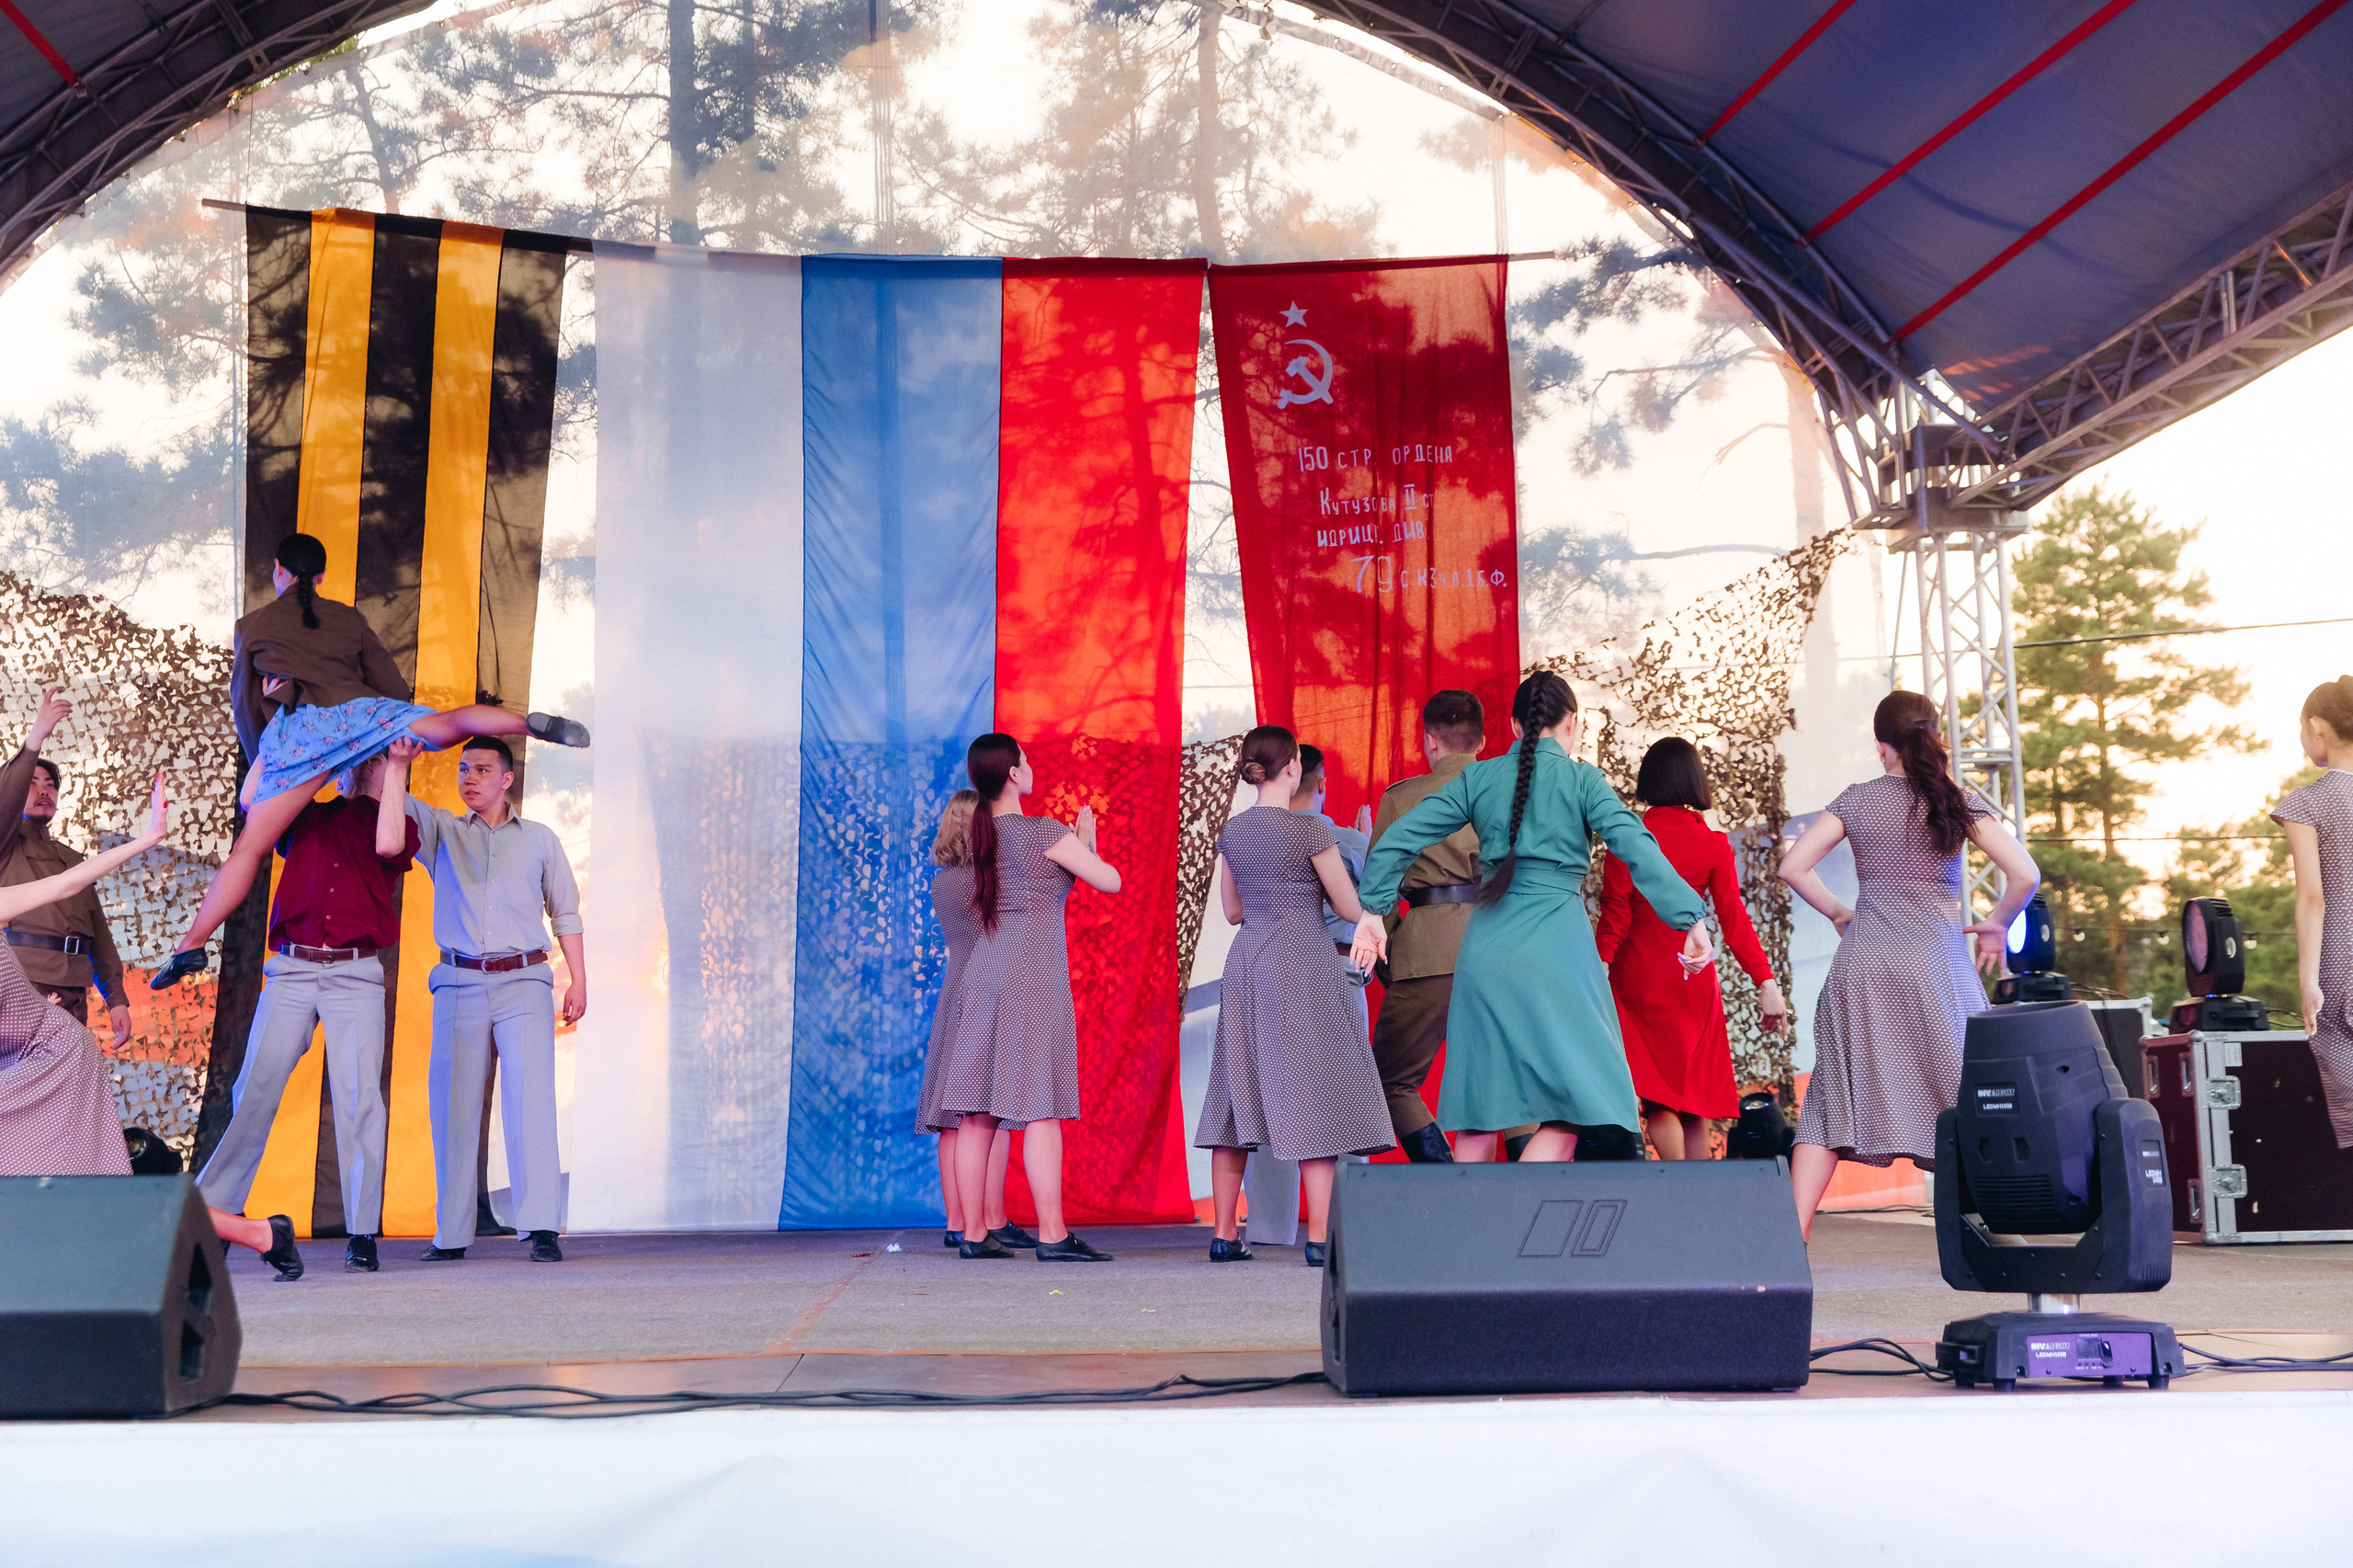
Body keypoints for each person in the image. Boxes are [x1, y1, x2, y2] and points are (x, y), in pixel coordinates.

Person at [150, 532, 589, 988]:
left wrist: (270, 754)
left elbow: (243, 703)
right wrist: (384, 721)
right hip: (360, 713)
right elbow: (391, 686)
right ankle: (529, 724)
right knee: (445, 724)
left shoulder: (253, 625)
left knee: (250, 848)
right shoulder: (347, 618)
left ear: (278, 568)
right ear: (320, 577)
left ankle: (192, 944)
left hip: (302, 731)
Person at [1352, 673, 1715, 1164]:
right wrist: (1690, 917)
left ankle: (1473, 1232)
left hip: (1484, 952)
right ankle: (1514, 1217)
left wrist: (1373, 911)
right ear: (1572, 726)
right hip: (1558, 954)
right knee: (1577, 1102)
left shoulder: (1476, 779)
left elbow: (1397, 839)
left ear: (1514, 726)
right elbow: (1634, 844)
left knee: (1479, 1111)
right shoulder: (1582, 779)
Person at [0, 775, 304, 1278]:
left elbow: (71, 883)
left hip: (54, 1060)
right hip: (19, 1064)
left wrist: (146, 839)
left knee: (90, 1184)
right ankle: (261, 1233)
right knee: (95, 1181)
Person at [1777, 689, 2039, 1240]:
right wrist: (1995, 923)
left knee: (1829, 1105)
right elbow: (2025, 875)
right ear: (1935, 737)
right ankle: (2004, 1234)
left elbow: (1793, 866)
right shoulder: (1957, 800)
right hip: (1934, 970)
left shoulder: (1857, 800)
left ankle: (1789, 1241)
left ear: (1881, 747)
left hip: (1865, 968)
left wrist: (1838, 913)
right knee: (1962, 1098)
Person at [194, 739, 421, 1274]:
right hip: (293, 969)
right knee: (255, 1090)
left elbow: (388, 845)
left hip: (356, 972)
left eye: (368, 759)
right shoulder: (305, 817)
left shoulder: (395, 823)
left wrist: (397, 768)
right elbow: (255, 799)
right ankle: (219, 1218)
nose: (358, 767)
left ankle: (362, 1233)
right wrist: (319, 754)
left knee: (361, 1097)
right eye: (357, 759)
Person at [1199, 726, 1393, 1266]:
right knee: (1314, 1094)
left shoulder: (1233, 832)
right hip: (1303, 959)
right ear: (1292, 769)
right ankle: (1318, 1241)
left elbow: (1233, 913)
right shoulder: (1311, 831)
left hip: (1248, 960)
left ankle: (1222, 1234)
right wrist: (1374, 909)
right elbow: (1349, 907)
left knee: (1235, 1089)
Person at [932, 733, 1122, 1262]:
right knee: (1039, 1107)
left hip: (982, 974)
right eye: (1027, 762)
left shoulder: (978, 837)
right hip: (1033, 975)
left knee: (975, 1113)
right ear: (1014, 774)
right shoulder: (1042, 831)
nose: (1031, 767)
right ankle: (1053, 1234)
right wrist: (1085, 846)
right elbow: (1109, 881)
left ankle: (973, 1235)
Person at [395, 736, 585, 1264]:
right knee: (452, 1108)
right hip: (458, 982)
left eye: (482, 769)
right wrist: (396, 764)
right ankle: (451, 1235)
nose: (469, 778)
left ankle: (541, 1227)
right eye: (462, 769)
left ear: (507, 779)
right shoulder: (440, 831)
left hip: (524, 979)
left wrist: (579, 979)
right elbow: (396, 808)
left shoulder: (541, 839)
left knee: (530, 1103)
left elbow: (565, 913)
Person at [1596, 737, 1789, 1161]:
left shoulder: (1629, 837)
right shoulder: (1713, 844)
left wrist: (1600, 967)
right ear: (1694, 780)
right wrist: (1765, 981)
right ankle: (1698, 1201)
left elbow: (1616, 914)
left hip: (1640, 977)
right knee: (1693, 1103)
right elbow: (1734, 920)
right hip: (1694, 979)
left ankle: (1676, 1191)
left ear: (1649, 780)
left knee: (1658, 1098)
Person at [1365, 689, 1487, 1163]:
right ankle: (1522, 1192)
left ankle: (1443, 1185)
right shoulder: (1506, 791)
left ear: (1430, 741)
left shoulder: (1404, 798)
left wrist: (1393, 955)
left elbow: (1379, 888)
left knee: (1392, 1079)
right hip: (1501, 945)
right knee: (1508, 1080)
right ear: (1482, 740)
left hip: (1429, 951)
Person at [915, 790, 1033, 1251]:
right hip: (984, 988)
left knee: (953, 1118)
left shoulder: (943, 882)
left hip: (953, 990)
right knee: (988, 1110)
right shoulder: (986, 878)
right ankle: (992, 1218)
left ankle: (957, 1220)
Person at [0, 689, 131, 1044]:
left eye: (51, 786)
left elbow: (98, 934)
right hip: (23, 983)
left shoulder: (72, 860)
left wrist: (116, 999)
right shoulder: (6, 845)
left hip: (73, 990)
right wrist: (34, 741)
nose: (44, 791)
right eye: (32, 783)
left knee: (63, 1087)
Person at [2275, 676, 2353, 1146]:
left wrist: (2308, 982)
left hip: (2342, 967)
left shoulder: (2307, 803)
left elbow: (2312, 898)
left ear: (2317, 727)